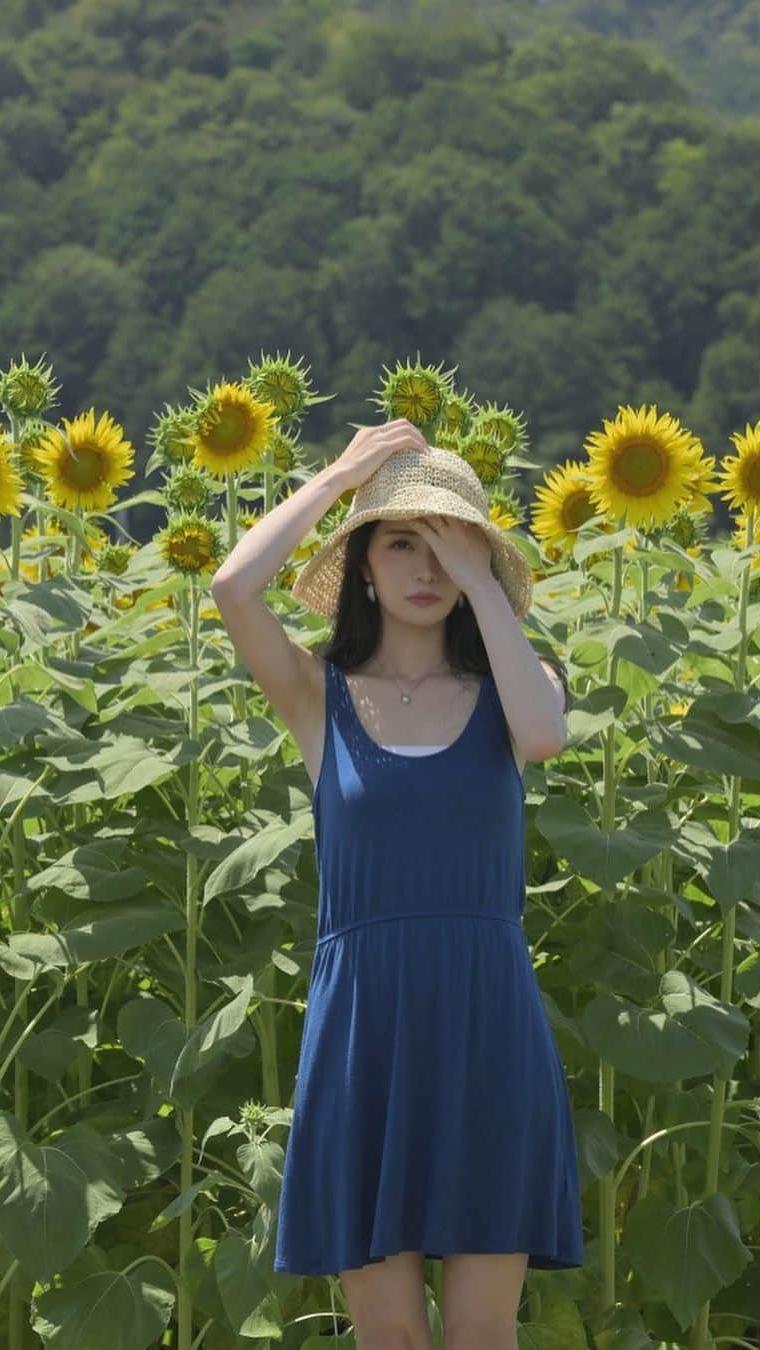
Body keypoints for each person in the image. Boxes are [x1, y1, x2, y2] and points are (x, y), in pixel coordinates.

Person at [211, 420, 583, 1349]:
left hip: (487, 1021)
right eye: (402, 543)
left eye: (447, 548)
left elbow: (542, 740)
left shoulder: (518, 685)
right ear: (364, 566)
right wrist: (343, 477)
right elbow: (231, 586)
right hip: (362, 1029)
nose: (426, 569)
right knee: (389, 1339)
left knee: (480, 1336)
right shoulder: (316, 695)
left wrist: (484, 583)